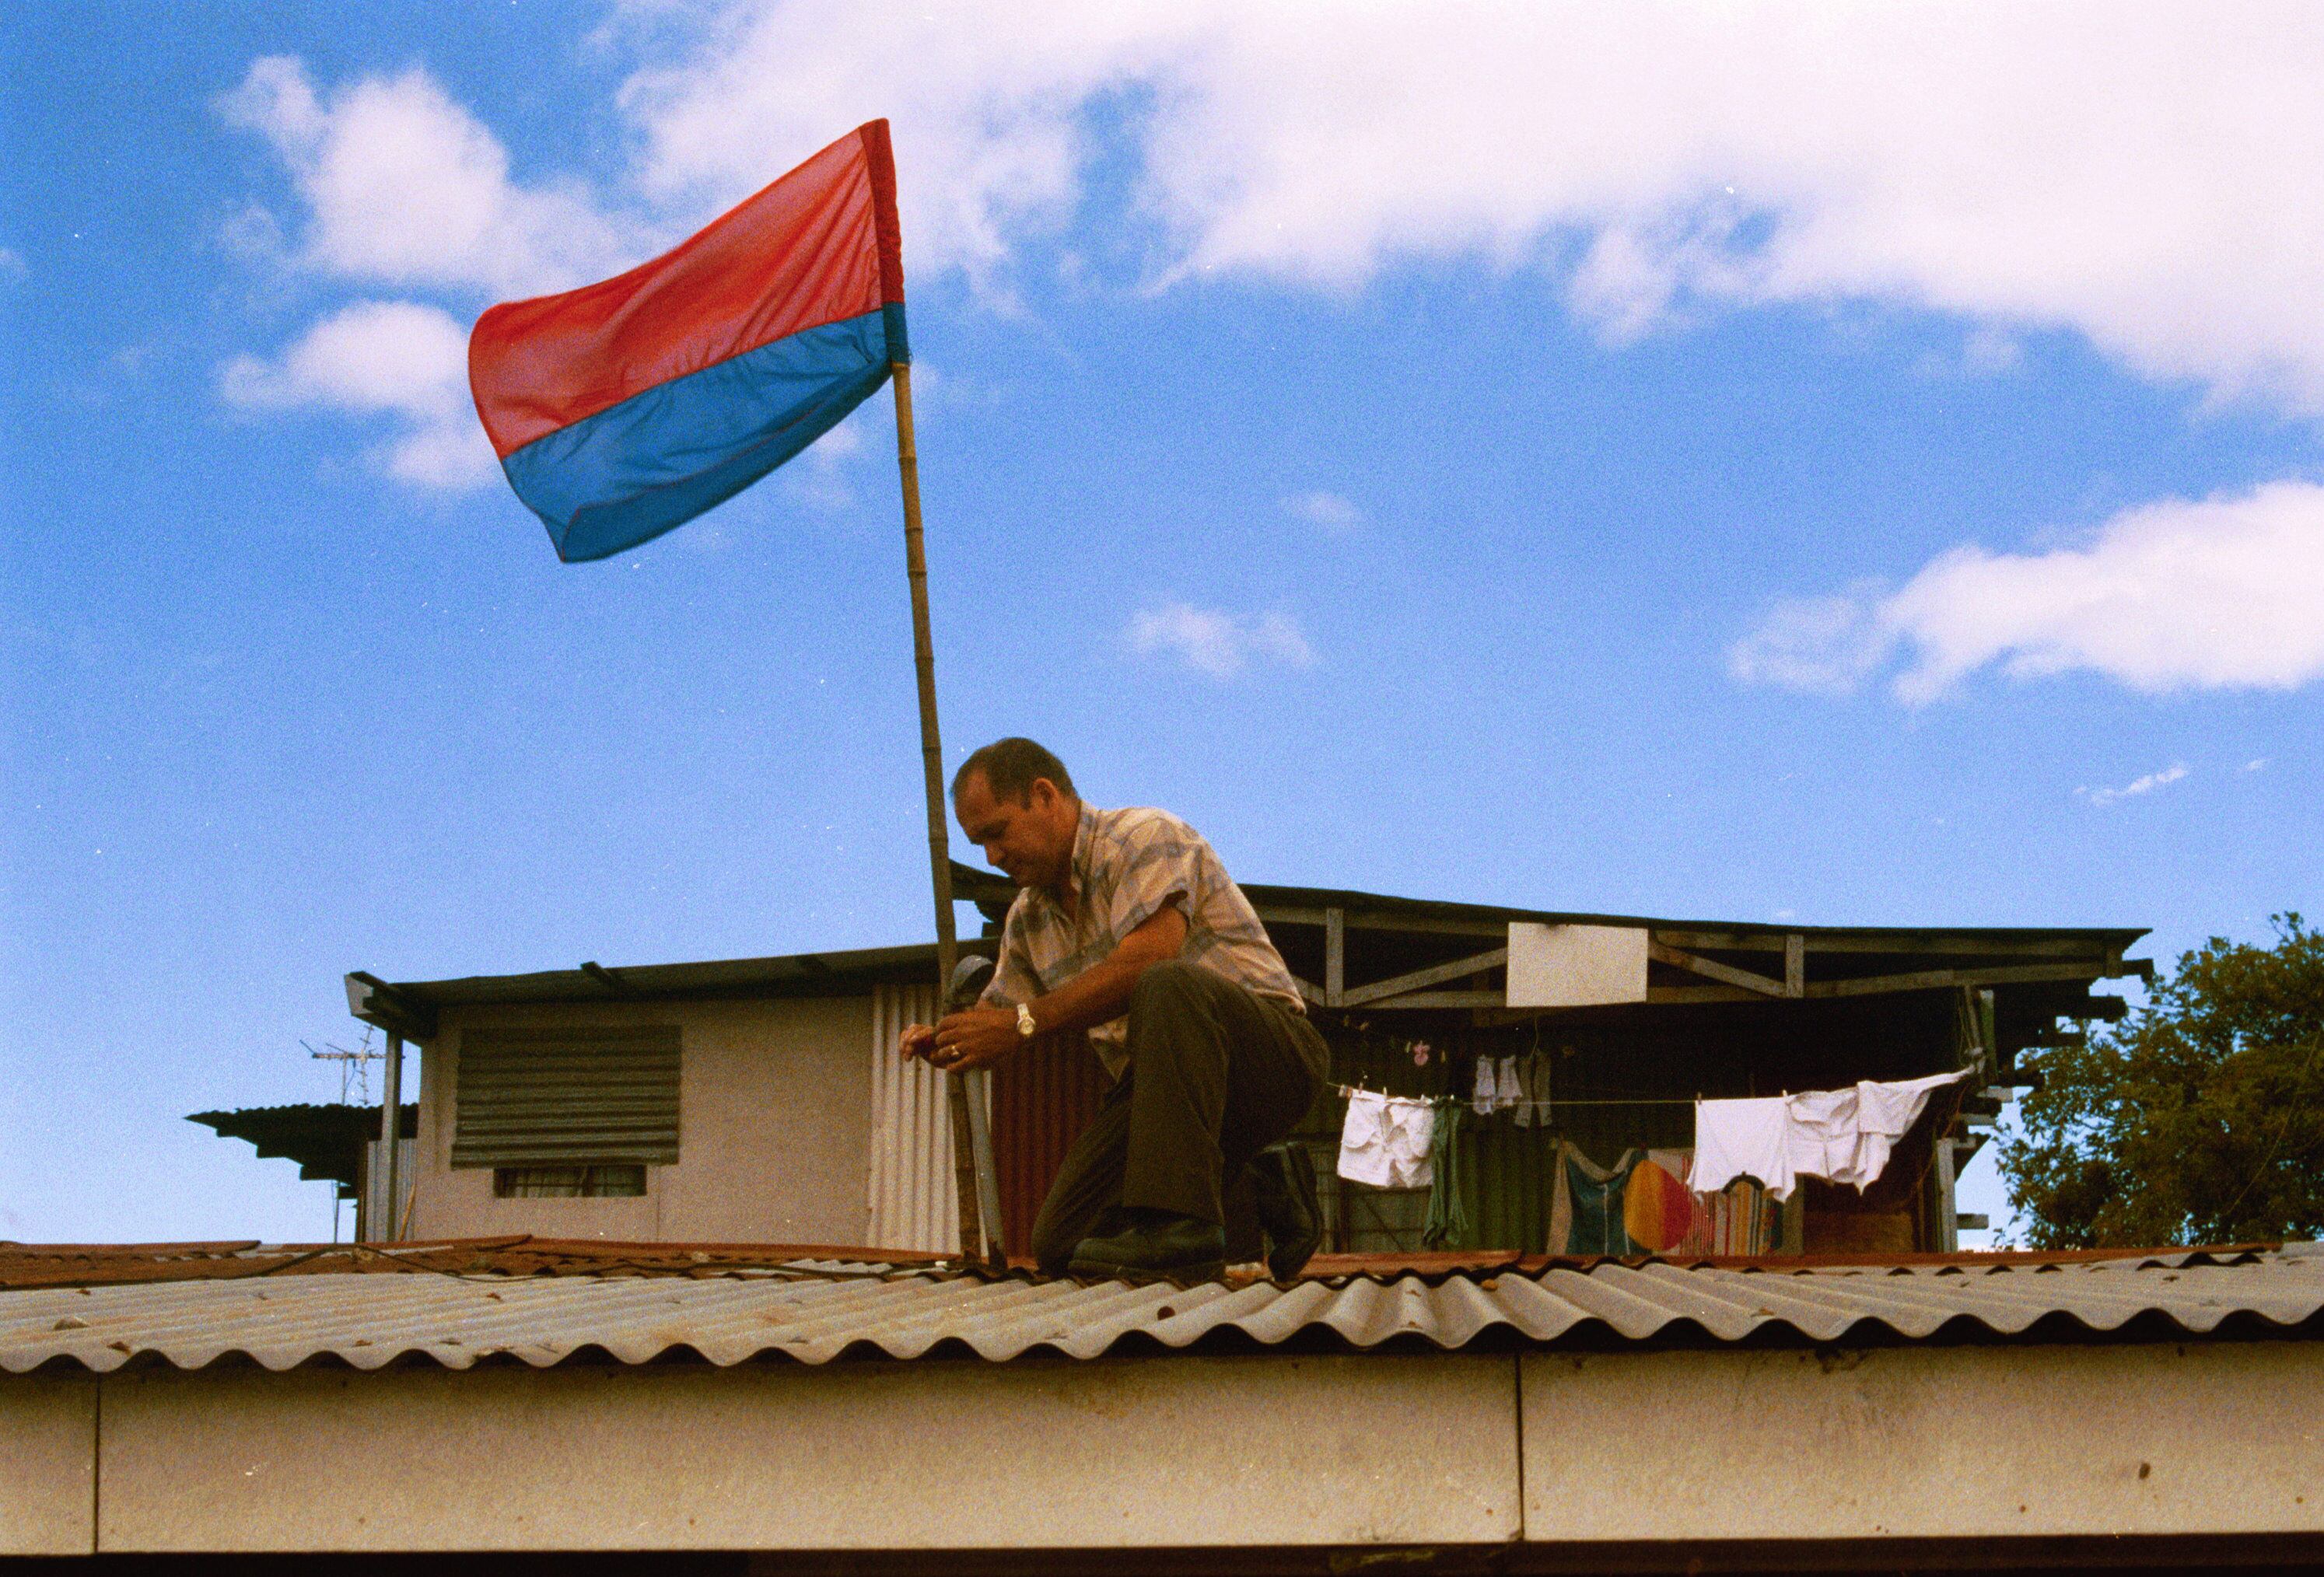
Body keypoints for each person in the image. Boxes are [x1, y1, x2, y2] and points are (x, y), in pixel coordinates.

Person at [899, 738, 1326, 1282]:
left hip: (1270, 1060)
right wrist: (949, 1040)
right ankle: (1265, 1180)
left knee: (1166, 984)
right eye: (978, 844)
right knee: (1061, 1245)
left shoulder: (1143, 837)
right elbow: (1000, 1022)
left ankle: (1186, 1228)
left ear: (1044, 796)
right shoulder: (1028, 921)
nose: (992, 858)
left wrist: (1023, 1023)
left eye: (997, 833)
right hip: (1165, 1097)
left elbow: (1146, 961)